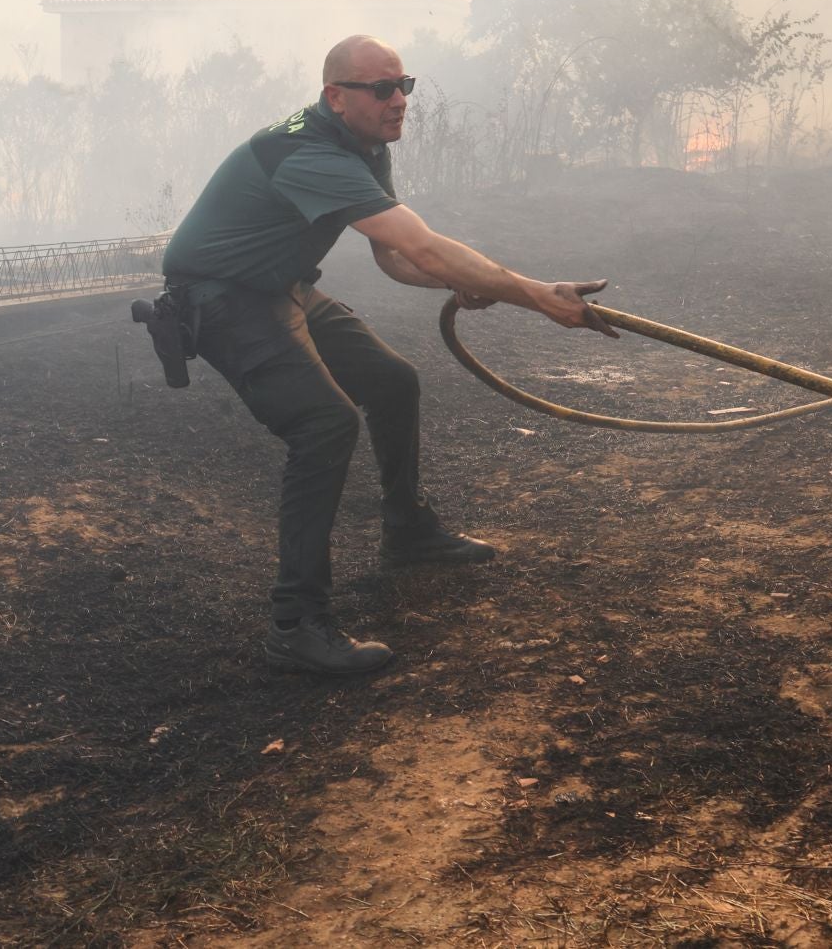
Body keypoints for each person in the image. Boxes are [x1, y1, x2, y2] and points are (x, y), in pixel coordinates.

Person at [161, 35, 618, 676]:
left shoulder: (363, 144)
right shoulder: (307, 152)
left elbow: (395, 256)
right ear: (336, 96)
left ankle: (407, 531)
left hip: (279, 285)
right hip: (221, 299)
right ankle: (296, 625)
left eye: (404, 85)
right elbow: (421, 245)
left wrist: (470, 282)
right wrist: (534, 295)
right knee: (325, 423)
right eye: (382, 89)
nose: (399, 100)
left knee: (392, 381)